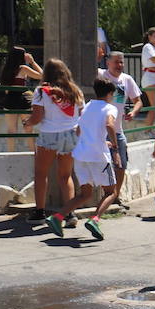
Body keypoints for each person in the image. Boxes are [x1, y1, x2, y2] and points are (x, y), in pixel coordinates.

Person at [46, 77, 121, 240]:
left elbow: (79, 130)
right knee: (111, 192)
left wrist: (98, 140)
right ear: (109, 93)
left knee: (85, 194)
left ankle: (57, 217)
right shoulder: (110, 108)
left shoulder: (87, 106)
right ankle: (95, 219)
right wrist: (114, 146)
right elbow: (109, 125)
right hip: (99, 156)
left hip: (81, 155)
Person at [22, 58, 81, 224]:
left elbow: (37, 117)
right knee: (65, 175)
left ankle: (39, 212)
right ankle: (70, 214)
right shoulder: (75, 91)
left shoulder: (41, 91)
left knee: (41, 173)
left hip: (49, 135)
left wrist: (27, 122)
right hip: (70, 134)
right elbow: (81, 114)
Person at [99, 51, 144, 203]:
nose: (119, 65)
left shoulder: (127, 79)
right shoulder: (100, 74)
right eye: (116, 62)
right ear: (108, 63)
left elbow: (138, 101)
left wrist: (133, 112)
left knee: (121, 164)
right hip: (100, 130)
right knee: (102, 164)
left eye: (121, 62)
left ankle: (115, 196)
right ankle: (105, 195)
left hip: (117, 130)